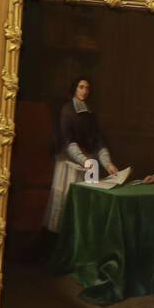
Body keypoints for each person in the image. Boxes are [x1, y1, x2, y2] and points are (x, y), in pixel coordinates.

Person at [45, 77, 117, 232]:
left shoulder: (90, 113)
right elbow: (68, 142)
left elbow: (99, 141)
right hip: (69, 163)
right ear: (75, 89)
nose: (84, 91)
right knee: (66, 207)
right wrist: (84, 161)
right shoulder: (67, 110)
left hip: (88, 163)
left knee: (86, 207)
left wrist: (108, 163)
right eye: (81, 87)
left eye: (87, 88)